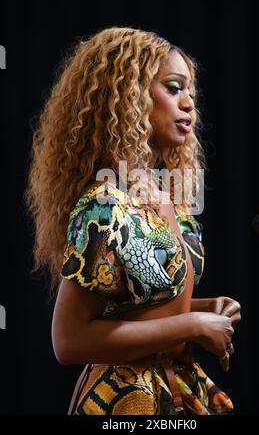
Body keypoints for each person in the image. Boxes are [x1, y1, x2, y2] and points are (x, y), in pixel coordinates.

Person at [25, 27, 241, 415]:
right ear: (131, 98)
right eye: (173, 88)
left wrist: (204, 310)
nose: (188, 102)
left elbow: (137, 308)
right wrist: (192, 326)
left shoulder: (166, 196)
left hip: (174, 388)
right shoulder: (105, 206)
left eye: (190, 91)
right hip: (124, 400)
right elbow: (68, 340)